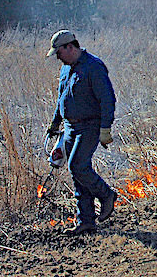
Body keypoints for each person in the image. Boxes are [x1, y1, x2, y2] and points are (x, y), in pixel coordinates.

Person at [45, 30, 118, 236]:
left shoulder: (93, 66)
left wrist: (105, 128)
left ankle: (107, 195)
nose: (57, 57)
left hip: (89, 126)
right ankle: (86, 221)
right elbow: (62, 98)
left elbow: (107, 99)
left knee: (77, 166)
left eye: (58, 52)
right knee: (77, 174)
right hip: (70, 127)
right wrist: (55, 123)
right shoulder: (65, 68)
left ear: (70, 47)